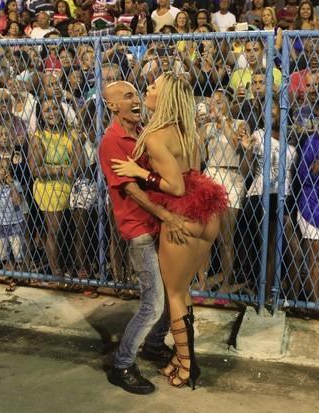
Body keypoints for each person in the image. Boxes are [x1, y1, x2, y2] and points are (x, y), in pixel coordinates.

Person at [111, 73, 228, 389]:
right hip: (206, 212)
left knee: (174, 295)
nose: (147, 89)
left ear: (164, 98)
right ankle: (181, 358)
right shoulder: (188, 131)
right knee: (184, 291)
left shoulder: (156, 135)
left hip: (182, 216)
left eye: (153, 87)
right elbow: (191, 175)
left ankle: (189, 367)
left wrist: (139, 172)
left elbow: (175, 186)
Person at [98, 81, 186, 395]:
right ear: (111, 106)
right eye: (127, 96)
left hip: (156, 225)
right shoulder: (112, 140)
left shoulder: (143, 132)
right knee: (153, 301)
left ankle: (151, 344)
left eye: (136, 94)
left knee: (167, 293)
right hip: (140, 230)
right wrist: (166, 215)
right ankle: (122, 364)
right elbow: (131, 190)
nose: (135, 100)